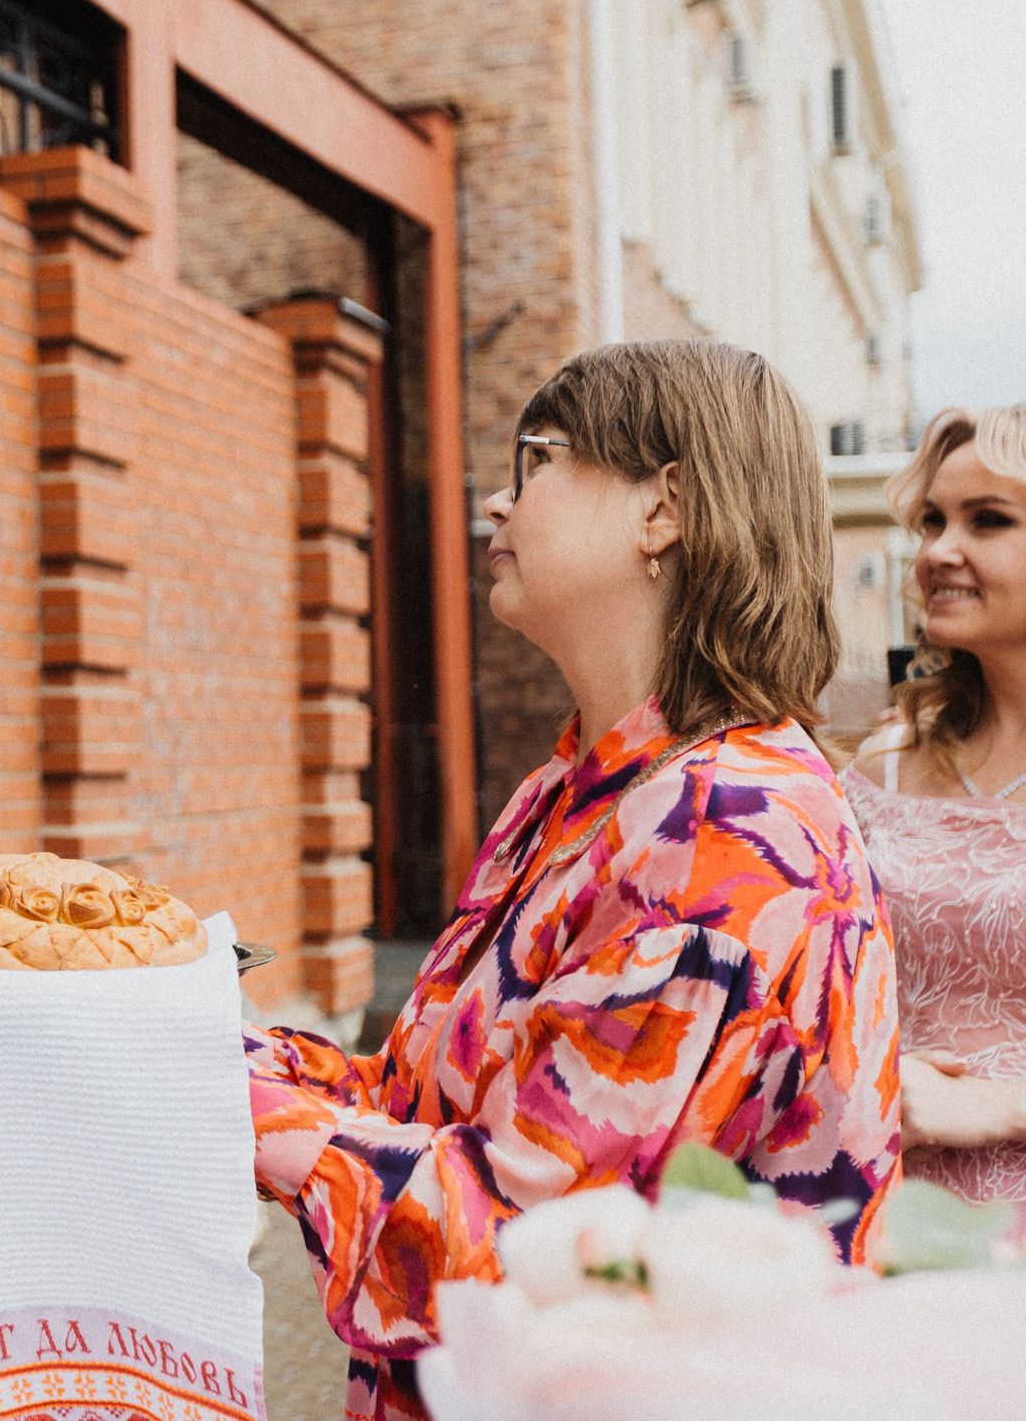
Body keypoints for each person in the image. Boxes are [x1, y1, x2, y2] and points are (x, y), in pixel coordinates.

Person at [245, 341, 901, 1421]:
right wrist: (177, 1037)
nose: (496, 501)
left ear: (664, 509)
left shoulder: (721, 830)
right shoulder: (577, 790)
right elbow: (411, 1102)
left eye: (538, 458)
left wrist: (224, 1104)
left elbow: (510, 1249)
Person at [848, 403, 1026, 1204]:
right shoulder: (881, 770)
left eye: (987, 520)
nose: (937, 552)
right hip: (897, 1218)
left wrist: (996, 1103)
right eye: (931, 521)